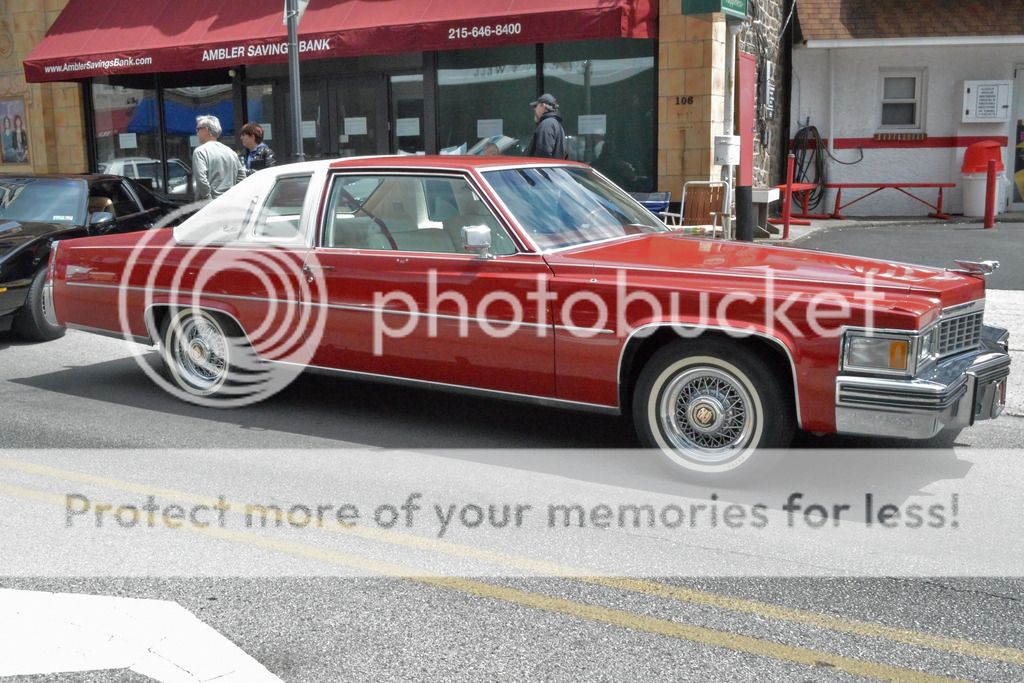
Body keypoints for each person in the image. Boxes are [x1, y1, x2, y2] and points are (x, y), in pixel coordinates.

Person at [192, 114, 245, 200]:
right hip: (229, 203)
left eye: (198, 129)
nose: (196, 133)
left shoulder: (200, 152)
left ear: (207, 130)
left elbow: (201, 180)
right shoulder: (231, 152)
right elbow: (241, 177)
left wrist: (208, 200)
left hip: (210, 206)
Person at [526, 93, 567, 159]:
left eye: (536, 106)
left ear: (543, 106)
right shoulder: (555, 123)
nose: (534, 109)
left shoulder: (547, 124)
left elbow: (543, 156)